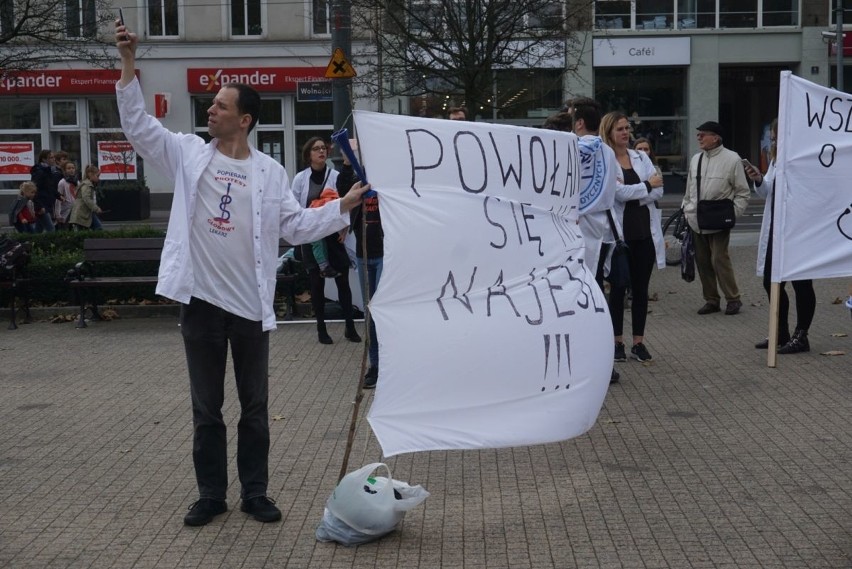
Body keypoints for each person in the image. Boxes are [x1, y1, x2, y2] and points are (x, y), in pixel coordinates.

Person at [115, 21, 368, 527]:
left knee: (255, 408)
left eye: (221, 105)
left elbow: (294, 227)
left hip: (251, 306)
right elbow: (140, 126)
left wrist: (341, 206)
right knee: (206, 410)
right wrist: (127, 62)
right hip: (202, 304)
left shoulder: (270, 173)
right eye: (212, 103)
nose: (211, 108)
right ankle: (211, 495)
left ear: (245, 119)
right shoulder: (187, 154)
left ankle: (256, 493)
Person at [547, 99, 620, 383]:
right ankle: (601, 361)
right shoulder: (608, 153)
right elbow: (609, 192)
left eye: (570, 117)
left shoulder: (569, 150)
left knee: (572, 299)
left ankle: (582, 362)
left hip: (570, 231)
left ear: (578, 123)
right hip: (597, 232)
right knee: (593, 294)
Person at [600, 112, 665, 363]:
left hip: (644, 234)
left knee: (641, 290)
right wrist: (646, 186)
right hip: (620, 238)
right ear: (609, 132)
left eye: (627, 128)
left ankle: (638, 342)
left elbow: (659, 190)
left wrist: (640, 190)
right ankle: (617, 342)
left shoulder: (640, 157)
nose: (625, 133)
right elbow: (617, 193)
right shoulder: (606, 161)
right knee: (618, 290)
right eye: (620, 129)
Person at [746, 118, 815, 354]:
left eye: (776, 136)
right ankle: (781, 332)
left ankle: (802, 335)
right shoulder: (776, 159)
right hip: (776, 228)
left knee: (801, 283)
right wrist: (758, 179)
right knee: (771, 280)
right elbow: (768, 191)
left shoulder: (802, 158)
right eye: (772, 136)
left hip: (798, 229)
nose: (773, 140)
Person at [291, 137, 362, 345]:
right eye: (316, 149)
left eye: (323, 148)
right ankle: (321, 328)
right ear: (308, 154)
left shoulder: (336, 176)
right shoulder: (300, 179)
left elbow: (348, 202)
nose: (321, 151)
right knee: (316, 285)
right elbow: (295, 208)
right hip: (312, 237)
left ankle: (350, 327)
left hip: (334, 237)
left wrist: (346, 226)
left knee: (343, 284)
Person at [681, 121, 750, 316]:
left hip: (719, 219)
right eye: (699, 134)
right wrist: (687, 208)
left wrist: (732, 214)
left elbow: (743, 192)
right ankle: (711, 299)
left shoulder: (732, 159)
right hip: (697, 219)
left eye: (703, 134)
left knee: (719, 258)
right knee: (702, 260)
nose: (699, 137)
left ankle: (733, 298)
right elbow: (689, 188)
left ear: (716, 137)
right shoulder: (696, 159)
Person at [338, 139, 383, 389]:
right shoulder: (358, 180)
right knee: (371, 314)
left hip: (386, 254)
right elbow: (343, 190)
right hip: (365, 255)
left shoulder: (387, 180)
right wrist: (347, 161)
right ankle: (375, 365)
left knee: (384, 311)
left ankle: (390, 364)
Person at [30, 149, 62, 232]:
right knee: (51, 229)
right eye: (51, 158)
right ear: (44, 159)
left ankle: (32, 243)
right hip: (42, 205)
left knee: (38, 230)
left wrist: (58, 195)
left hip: (46, 203)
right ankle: (53, 244)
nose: (53, 159)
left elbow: (49, 187)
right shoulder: (40, 172)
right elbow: (34, 190)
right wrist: (39, 206)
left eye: (53, 157)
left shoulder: (48, 170)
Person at [69, 165, 103, 231]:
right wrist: (96, 208)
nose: (98, 178)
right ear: (91, 175)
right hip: (82, 213)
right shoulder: (87, 185)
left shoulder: (87, 184)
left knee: (91, 229)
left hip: (84, 213)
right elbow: (86, 198)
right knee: (98, 228)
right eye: (97, 176)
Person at [55, 161, 78, 229]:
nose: (71, 170)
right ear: (64, 170)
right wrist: (58, 214)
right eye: (69, 168)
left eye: (73, 168)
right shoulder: (62, 182)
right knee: (64, 229)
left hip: (75, 210)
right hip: (65, 210)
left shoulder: (77, 182)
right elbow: (58, 198)